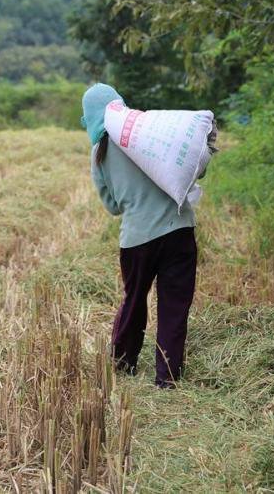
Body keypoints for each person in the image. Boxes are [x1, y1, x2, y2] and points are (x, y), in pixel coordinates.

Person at [82, 83, 199, 389]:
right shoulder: (149, 133)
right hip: (179, 230)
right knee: (174, 306)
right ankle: (167, 377)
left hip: (137, 240)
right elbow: (190, 165)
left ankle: (123, 364)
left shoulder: (99, 152)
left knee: (134, 301)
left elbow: (112, 206)